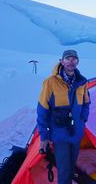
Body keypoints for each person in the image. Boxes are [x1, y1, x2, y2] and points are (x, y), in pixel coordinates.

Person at [36, 49, 91, 184]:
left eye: (74, 59)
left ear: (77, 61)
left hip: (76, 133)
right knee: (64, 170)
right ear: (61, 61)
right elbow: (42, 110)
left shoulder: (82, 82)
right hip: (60, 133)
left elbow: (86, 103)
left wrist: (83, 120)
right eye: (68, 59)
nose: (71, 62)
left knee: (72, 167)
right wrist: (44, 136)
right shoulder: (50, 82)